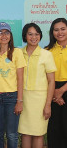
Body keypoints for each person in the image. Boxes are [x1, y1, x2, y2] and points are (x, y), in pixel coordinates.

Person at [19, 23, 56, 148]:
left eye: (37, 34)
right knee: (25, 133)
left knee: (38, 134)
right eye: (30, 34)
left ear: (40, 36)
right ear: (25, 36)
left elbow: (51, 81)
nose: (33, 37)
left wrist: (48, 104)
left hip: (40, 100)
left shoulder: (47, 55)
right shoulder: (18, 53)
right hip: (22, 98)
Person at [0, 22, 26, 148]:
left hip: (12, 97)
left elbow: (21, 78)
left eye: (6, 32)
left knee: (11, 133)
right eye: (0, 32)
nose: (3, 35)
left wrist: (19, 101)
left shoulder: (17, 52)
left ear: (10, 36)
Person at [45, 18, 67, 148]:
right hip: (51, 90)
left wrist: (61, 90)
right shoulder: (47, 50)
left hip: (64, 88)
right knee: (54, 128)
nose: (60, 33)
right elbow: (43, 76)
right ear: (52, 32)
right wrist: (54, 93)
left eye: (63, 29)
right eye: (56, 30)